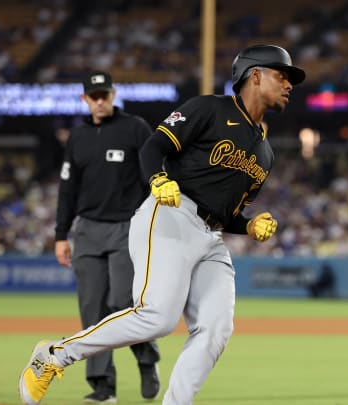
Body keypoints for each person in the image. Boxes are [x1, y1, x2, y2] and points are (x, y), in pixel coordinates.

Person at [19, 44, 305, 405]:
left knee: (216, 329)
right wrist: (157, 178)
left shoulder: (265, 152)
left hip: (210, 235)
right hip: (170, 214)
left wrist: (247, 225)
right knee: (157, 318)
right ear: (255, 75)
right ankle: (54, 355)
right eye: (282, 76)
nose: (289, 84)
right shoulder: (209, 108)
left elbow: (228, 211)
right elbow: (153, 147)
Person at [51, 70, 161, 403]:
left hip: (126, 228)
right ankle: (102, 386)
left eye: (104, 94)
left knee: (123, 303)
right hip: (87, 230)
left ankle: (146, 358)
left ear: (113, 95)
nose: (99, 100)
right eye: (93, 96)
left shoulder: (135, 128)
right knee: (91, 310)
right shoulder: (78, 137)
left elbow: (153, 174)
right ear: (85, 99)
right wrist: (60, 234)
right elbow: (67, 190)